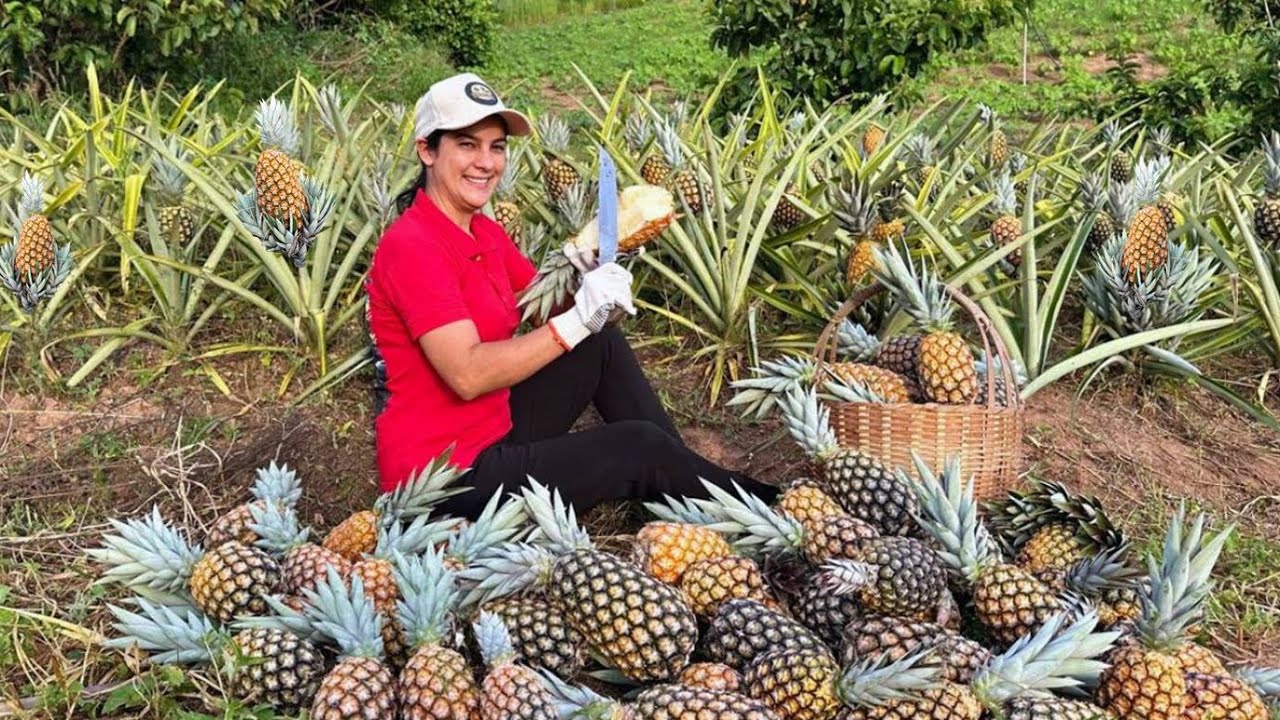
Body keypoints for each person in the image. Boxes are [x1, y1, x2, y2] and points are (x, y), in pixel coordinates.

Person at [363, 72, 778, 519]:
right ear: (427, 149)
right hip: (447, 476)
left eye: (496, 146)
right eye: (467, 144)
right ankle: (768, 509)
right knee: (635, 445)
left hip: (492, 427)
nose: (486, 161)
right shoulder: (413, 246)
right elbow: (467, 374)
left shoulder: (483, 231)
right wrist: (577, 319)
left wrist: (584, 278)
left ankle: (678, 485)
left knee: (598, 345)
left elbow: (543, 306)